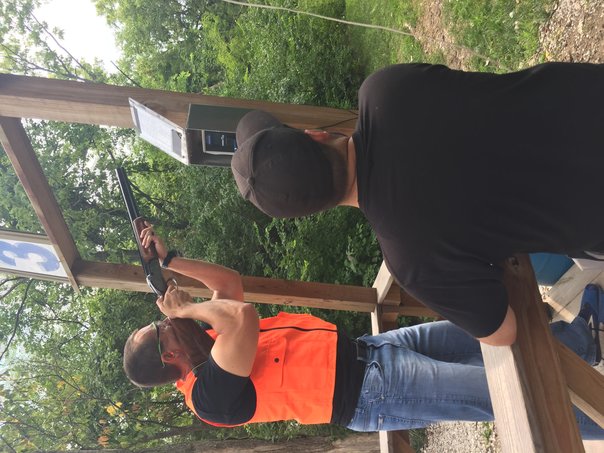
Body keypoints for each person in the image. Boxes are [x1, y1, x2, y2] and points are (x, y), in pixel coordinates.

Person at [230, 62, 604, 346]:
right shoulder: (386, 88)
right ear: (315, 134)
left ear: (317, 208)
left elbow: (502, 332)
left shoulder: (411, 257)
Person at [123, 226, 604, 438]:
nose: (169, 320)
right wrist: (188, 307)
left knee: (481, 337)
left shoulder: (206, 342)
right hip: (372, 393)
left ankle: (582, 340)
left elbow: (229, 286)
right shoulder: (207, 395)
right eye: (161, 328)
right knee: (497, 391)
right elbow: (241, 317)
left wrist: (171, 261)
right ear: (168, 358)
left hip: (369, 351)